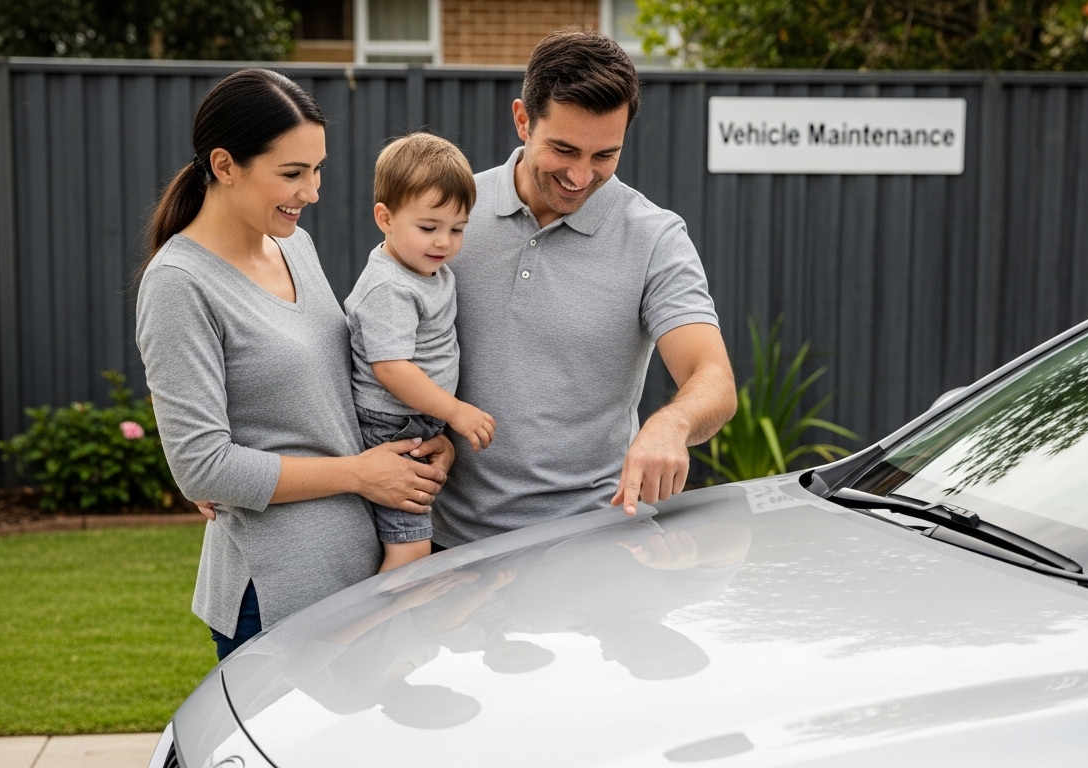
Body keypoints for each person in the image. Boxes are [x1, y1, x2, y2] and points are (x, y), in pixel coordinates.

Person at [134, 68, 454, 661]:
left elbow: (337, 396)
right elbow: (202, 467)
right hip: (276, 592)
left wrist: (422, 444)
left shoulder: (293, 246)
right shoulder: (179, 284)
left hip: (358, 572)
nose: (312, 191)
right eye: (292, 173)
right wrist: (360, 474)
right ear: (225, 165)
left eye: (317, 169)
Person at [432, 29, 737, 548]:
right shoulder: (450, 213)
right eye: (564, 149)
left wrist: (673, 424)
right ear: (523, 120)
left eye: (604, 155)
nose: (580, 175)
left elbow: (713, 378)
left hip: (593, 544)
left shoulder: (655, 238)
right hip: (449, 546)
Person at [344, 133, 495, 573]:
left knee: (412, 539)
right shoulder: (390, 287)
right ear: (385, 218)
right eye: (428, 228)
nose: (443, 242)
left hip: (415, 421)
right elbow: (391, 368)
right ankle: (381, 617)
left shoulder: (430, 272)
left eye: (457, 229)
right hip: (391, 425)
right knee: (409, 549)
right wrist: (456, 411)